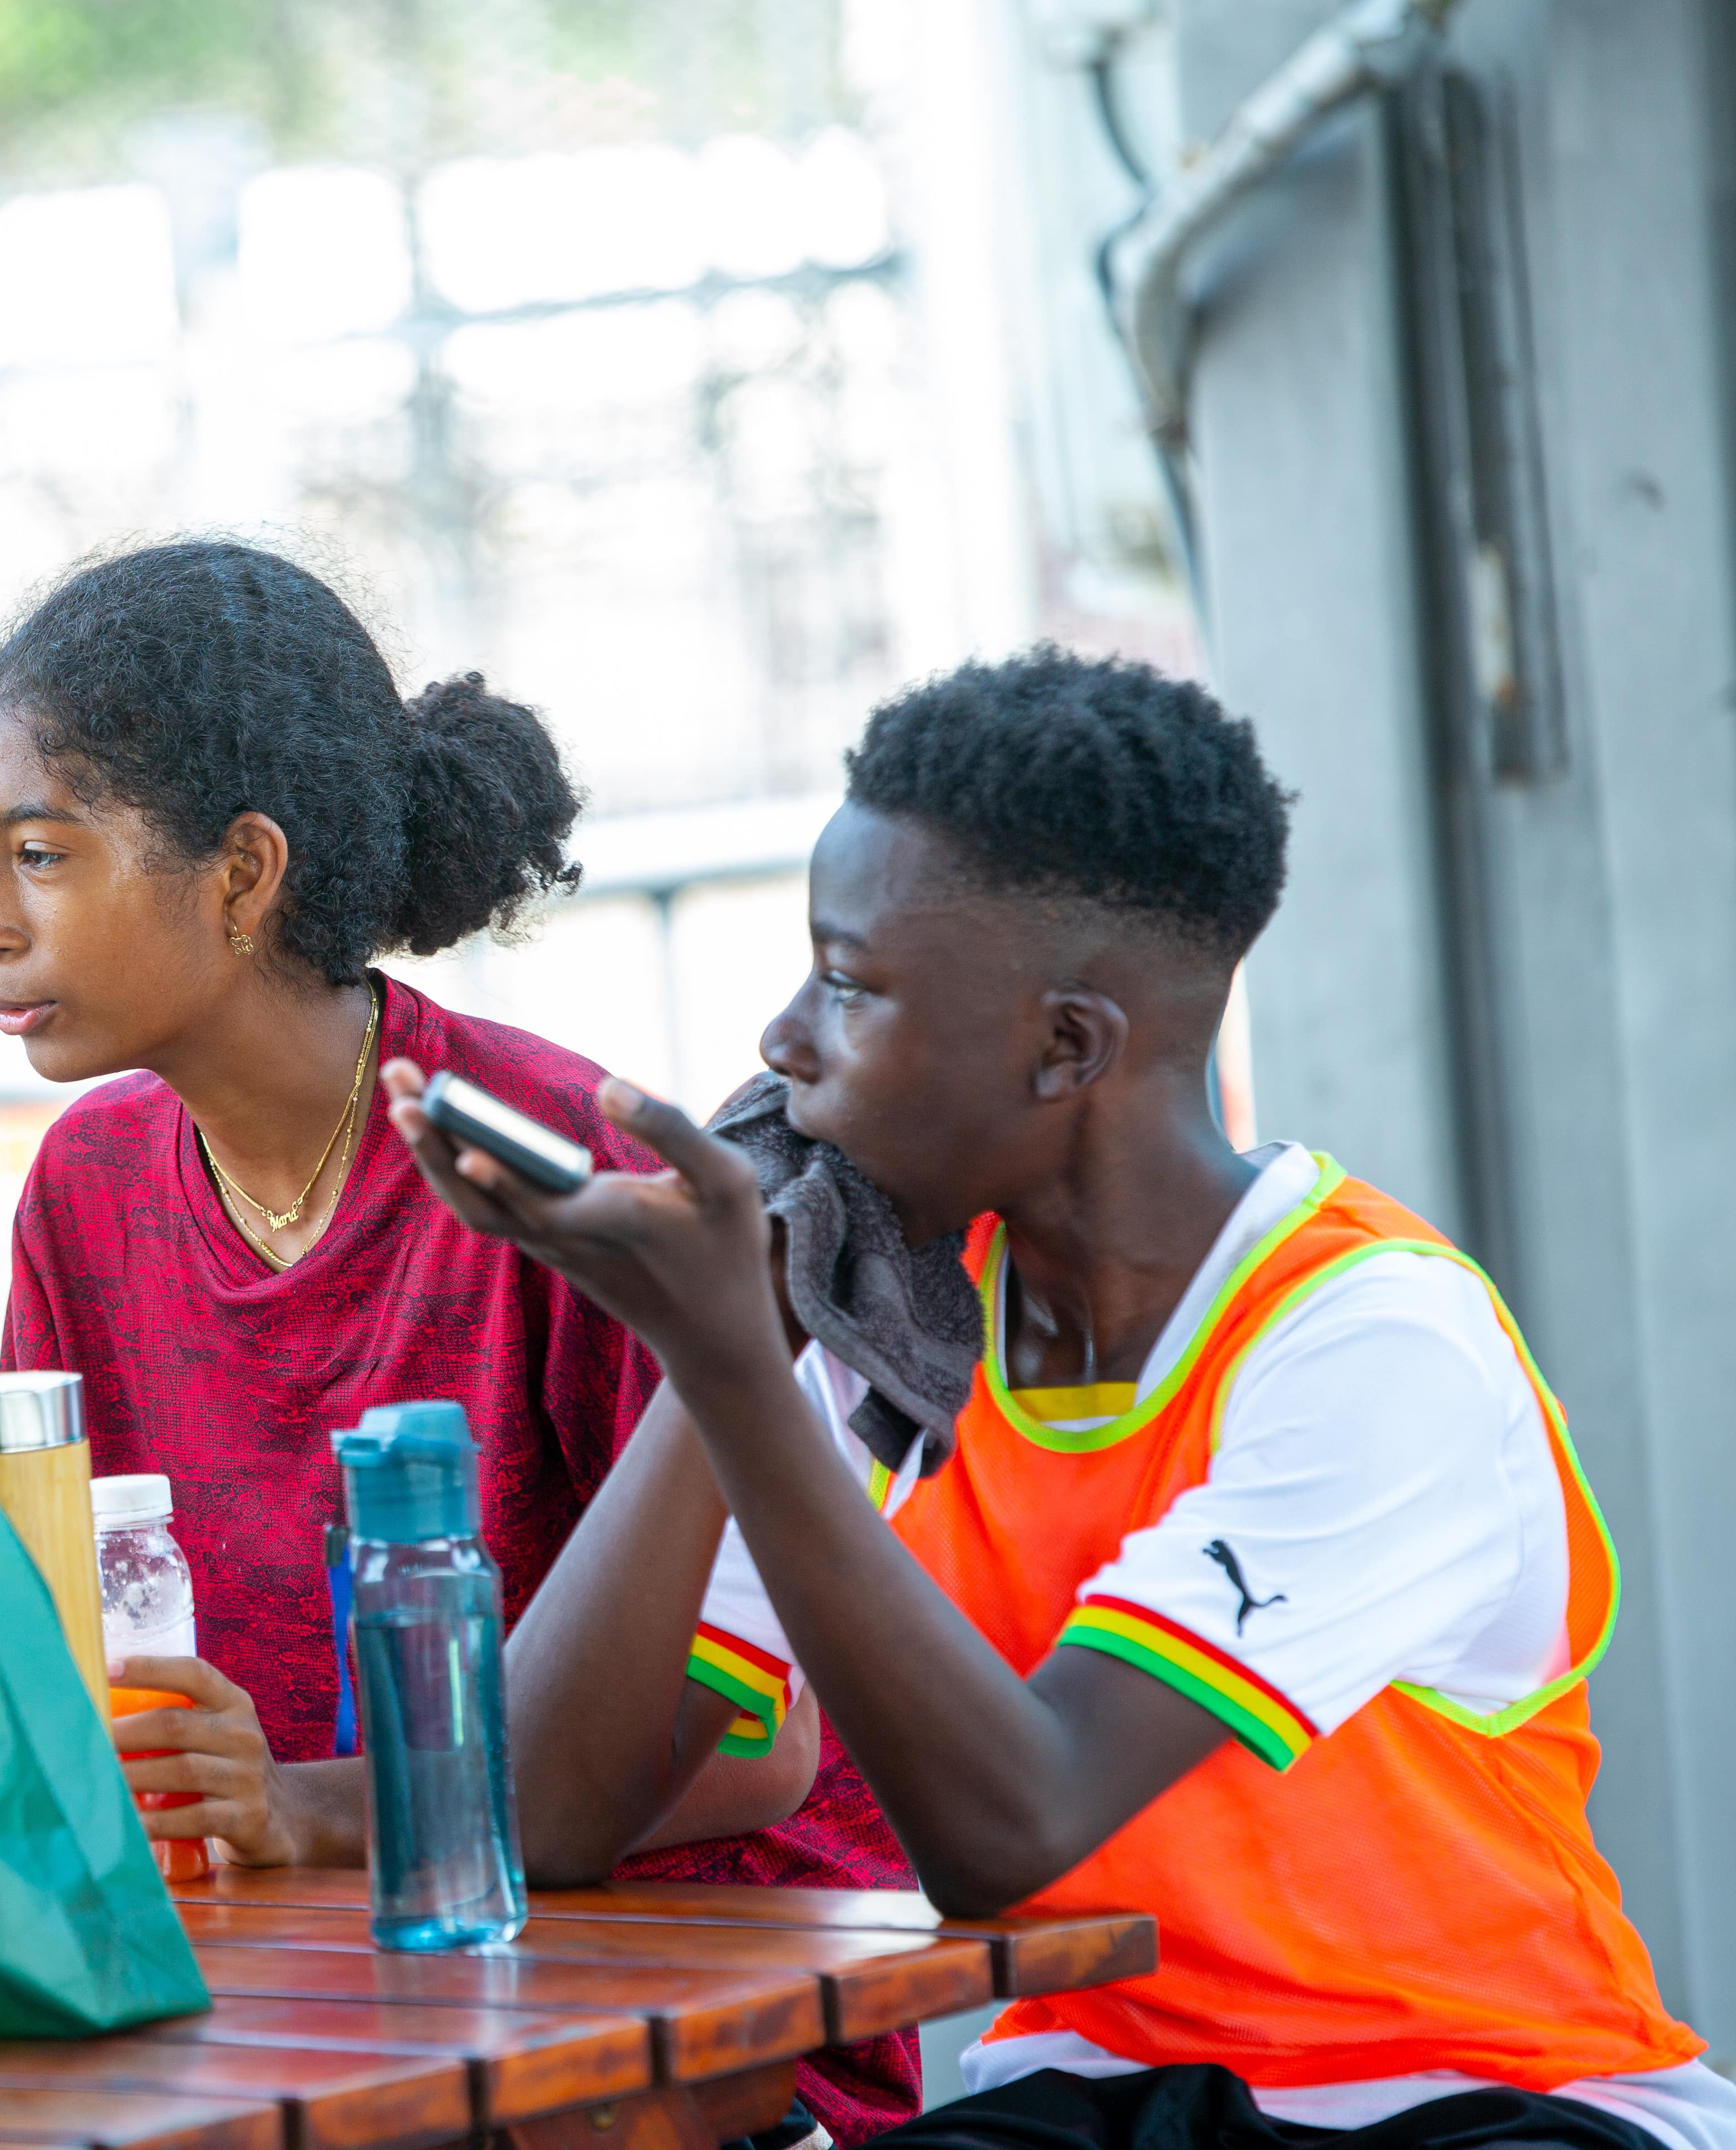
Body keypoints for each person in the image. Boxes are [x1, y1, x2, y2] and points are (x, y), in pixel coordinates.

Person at [388, 651, 1728, 2150]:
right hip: (1097, 2097)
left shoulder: (1374, 1345)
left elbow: (1010, 1837)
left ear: (1067, 1046)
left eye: (849, 984)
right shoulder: (896, 1319)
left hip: (1478, 2099)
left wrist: (731, 1364)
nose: (784, 1041)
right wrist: (722, 1347)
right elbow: (542, 1821)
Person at [0, 539, 920, 2144]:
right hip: (310, 1980)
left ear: (243, 875)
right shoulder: (87, 1190)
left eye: (40, 855)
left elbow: (765, 1750)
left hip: (657, 1992)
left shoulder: (552, 1164)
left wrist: (305, 1807)